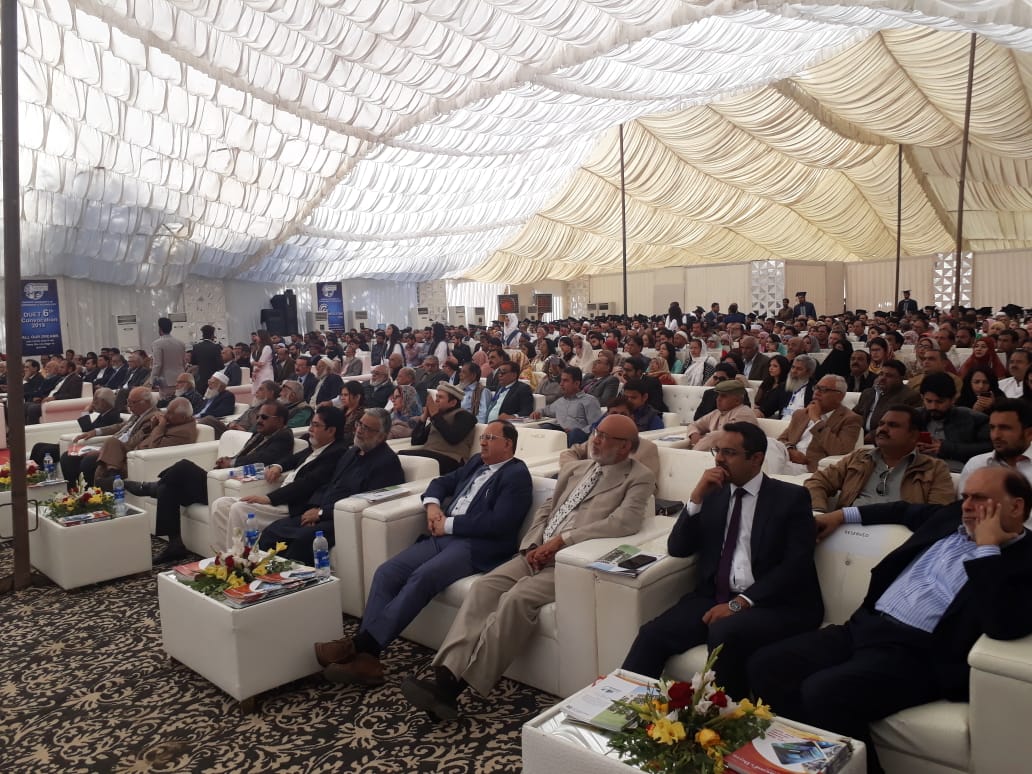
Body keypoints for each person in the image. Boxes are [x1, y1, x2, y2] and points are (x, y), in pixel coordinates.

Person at [749, 468, 1032, 774]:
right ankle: (807, 764)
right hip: (865, 626)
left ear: (1016, 506)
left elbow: (1003, 624)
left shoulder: (1025, 558)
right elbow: (901, 510)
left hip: (920, 654)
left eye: (979, 499)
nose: (967, 506)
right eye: (965, 497)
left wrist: (987, 549)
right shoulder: (951, 517)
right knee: (767, 665)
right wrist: (841, 515)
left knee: (824, 692)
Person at [399, 414, 655, 720]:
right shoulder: (578, 468)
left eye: (603, 437)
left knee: (516, 599)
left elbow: (624, 522)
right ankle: (446, 673)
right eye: (595, 433)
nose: (595, 441)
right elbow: (548, 508)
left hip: (569, 562)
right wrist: (533, 544)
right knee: (484, 587)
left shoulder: (638, 477)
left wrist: (561, 541)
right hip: (535, 552)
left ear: (624, 447)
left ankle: (455, 690)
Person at [315, 421, 533, 686]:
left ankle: (361, 646)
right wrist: (432, 506)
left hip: (476, 546)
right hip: (443, 536)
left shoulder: (516, 475)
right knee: (387, 572)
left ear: (508, 444)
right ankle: (367, 660)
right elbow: (441, 482)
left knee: (424, 576)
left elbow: (500, 523)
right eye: (483, 437)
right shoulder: (477, 462)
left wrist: (448, 524)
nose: (483, 442)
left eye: (490, 438)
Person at [621, 423, 822, 697]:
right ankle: (623, 709)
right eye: (717, 451)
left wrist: (741, 603)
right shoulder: (713, 493)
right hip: (714, 596)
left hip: (774, 603)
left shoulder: (790, 498)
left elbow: (796, 565)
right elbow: (678, 548)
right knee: (652, 635)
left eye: (729, 452)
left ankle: (722, 715)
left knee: (724, 632)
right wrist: (695, 499)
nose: (719, 459)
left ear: (756, 458)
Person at [128, 401, 296, 563]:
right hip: (224, 478)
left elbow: (262, 459)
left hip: (234, 487)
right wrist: (228, 460)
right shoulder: (261, 435)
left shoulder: (283, 437)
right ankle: (175, 544)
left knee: (184, 467)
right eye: (258, 416)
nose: (259, 420)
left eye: (264, 417)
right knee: (169, 488)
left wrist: (231, 464)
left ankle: (150, 488)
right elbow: (244, 455)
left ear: (280, 420)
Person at [258, 408, 405, 563]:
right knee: (272, 531)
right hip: (323, 511)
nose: (359, 430)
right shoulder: (352, 452)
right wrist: (315, 508)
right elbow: (330, 483)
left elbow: (370, 501)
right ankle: (260, 572)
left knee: (302, 540)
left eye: (366, 428)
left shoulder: (387, 463)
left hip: (343, 519)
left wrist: (322, 514)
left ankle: (288, 577)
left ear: (381, 436)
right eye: (359, 424)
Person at [209, 406, 351, 549]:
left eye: (316, 425)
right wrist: (278, 466)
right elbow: (293, 459)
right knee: (221, 504)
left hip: (293, 505)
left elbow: (307, 483)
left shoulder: (336, 453)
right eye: (311, 424)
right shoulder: (317, 446)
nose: (310, 429)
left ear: (331, 431)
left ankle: (241, 559)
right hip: (282, 499)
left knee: (240, 509)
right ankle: (225, 556)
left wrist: (268, 498)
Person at [806, 406, 955, 513]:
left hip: (898, 536)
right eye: (881, 424)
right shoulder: (860, 457)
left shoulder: (933, 469)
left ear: (914, 435)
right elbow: (817, 482)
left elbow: (938, 514)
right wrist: (818, 511)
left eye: (893, 425)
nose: (882, 429)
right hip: (847, 527)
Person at [92, 397, 197, 490]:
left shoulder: (183, 432)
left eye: (170, 414)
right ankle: (113, 475)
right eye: (167, 412)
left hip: (144, 458)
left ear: (183, 417)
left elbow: (154, 447)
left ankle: (112, 479)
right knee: (112, 442)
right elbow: (145, 435)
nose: (166, 415)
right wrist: (154, 424)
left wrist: (161, 425)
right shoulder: (176, 422)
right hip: (134, 449)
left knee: (100, 466)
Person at [61, 386, 159, 486]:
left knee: (89, 461)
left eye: (132, 402)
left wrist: (103, 450)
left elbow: (133, 442)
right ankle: (73, 491)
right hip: (110, 447)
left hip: (119, 452)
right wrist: (95, 432)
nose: (128, 405)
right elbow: (120, 426)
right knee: (67, 456)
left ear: (145, 402)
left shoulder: (152, 418)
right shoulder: (137, 415)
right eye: (128, 401)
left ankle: (91, 493)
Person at [777, 375, 864, 474]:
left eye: (823, 390)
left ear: (839, 396)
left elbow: (841, 450)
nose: (817, 392)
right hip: (786, 459)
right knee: (769, 443)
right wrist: (790, 451)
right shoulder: (801, 413)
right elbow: (781, 440)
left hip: (810, 467)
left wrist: (817, 420)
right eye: (816, 388)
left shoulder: (850, 419)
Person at [916, 373, 991, 473]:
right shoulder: (913, 417)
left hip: (957, 472)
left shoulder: (972, 418)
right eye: (929, 401)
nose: (933, 406)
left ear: (953, 399)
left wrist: (947, 448)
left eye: (940, 402)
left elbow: (989, 447)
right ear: (922, 397)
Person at [29, 387, 121, 467]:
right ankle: (30, 472)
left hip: (88, 446)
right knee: (38, 446)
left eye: (96, 400)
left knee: (45, 450)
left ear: (104, 402)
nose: (93, 403)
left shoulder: (111, 415)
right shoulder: (104, 414)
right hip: (81, 443)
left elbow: (89, 430)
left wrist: (85, 412)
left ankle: (38, 475)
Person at [398, 382, 477, 474]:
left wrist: (435, 415)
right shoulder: (438, 417)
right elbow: (416, 441)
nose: (436, 400)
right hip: (430, 455)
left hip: (452, 460)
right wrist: (423, 418)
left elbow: (453, 438)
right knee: (398, 457)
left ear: (453, 403)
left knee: (400, 456)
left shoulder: (465, 416)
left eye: (441, 397)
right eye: (436, 396)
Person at [958, 400, 1032, 490]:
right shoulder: (976, 465)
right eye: (992, 428)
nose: (995, 435)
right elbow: (965, 499)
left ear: (1029, 433)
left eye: (1005, 428)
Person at [530, 366, 602, 446]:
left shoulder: (590, 401)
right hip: (560, 434)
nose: (561, 384)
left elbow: (596, 424)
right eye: (561, 380)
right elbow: (545, 410)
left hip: (578, 436)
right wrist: (537, 412)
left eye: (565, 381)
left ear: (576, 383)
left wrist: (579, 430)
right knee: (545, 428)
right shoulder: (560, 401)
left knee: (575, 433)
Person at [853, 360, 922, 444]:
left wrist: (874, 434)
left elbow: (904, 425)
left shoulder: (910, 396)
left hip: (885, 438)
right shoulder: (868, 393)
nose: (882, 378)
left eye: (889, 376)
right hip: (860, 436)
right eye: (881, 374)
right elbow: (855, 414)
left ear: (901, 378)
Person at [684, 380, 758, 452]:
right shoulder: (717, 413)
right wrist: (694, 434)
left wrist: (697, 447)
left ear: (737, 401)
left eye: (723, 396)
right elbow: (694, 425)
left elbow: (723, 436)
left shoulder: (744, 413)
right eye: (718, 395)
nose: (718, 399)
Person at [24, 358, 84, 424]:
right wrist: (42, 398)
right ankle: (23, 428)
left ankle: (34, 429)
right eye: (59, 367)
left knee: (32, 409)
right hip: (49, 400)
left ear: (70, 369)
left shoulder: (75, 379)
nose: (59, 369)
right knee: (25, 405)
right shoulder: (62, 378)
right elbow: (53, 391)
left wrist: (54, 398)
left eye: (62, 367)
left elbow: (73, 395)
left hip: (57, 403)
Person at [151, 317, 188, 400]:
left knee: (166, 403)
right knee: (179, 401)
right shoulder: (181, 343)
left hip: (166, 381)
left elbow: (157, 364)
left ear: (160, 329)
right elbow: (184, 362)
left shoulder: (157, 344)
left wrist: (152, 380)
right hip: (181, 378)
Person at [752, 354, 792, 418]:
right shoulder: (767, 381)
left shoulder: (786, 385)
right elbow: (757, 400)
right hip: (760, 411)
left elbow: (784, 407)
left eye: (775, 366)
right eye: (770, 365)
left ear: (783, 367)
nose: (771, 368)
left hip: (775, 414)